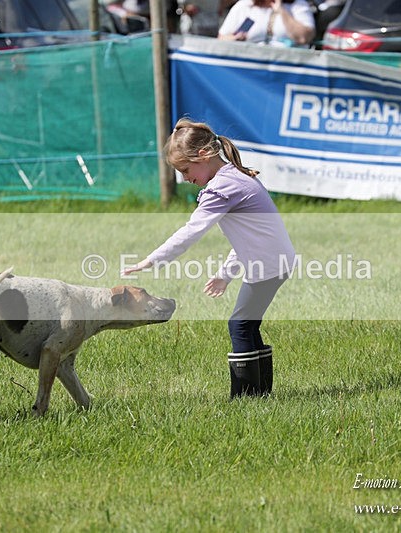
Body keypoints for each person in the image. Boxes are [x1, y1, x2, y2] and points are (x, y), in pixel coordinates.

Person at [121, 118, 296, 399]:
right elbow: (248, 238)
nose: (185, 178)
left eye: (186, 170)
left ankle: (246, 398)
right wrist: (226, 274)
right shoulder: (235, 177)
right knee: (247, 324)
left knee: (239, 325)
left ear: (204, 155)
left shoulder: (223, 187)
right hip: (273, 261)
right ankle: (259, 395)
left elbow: (191, 231)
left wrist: (152, 260)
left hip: (269, 265)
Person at [217, 0, 315, 47]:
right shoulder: (244, 5)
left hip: (287, 67)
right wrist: (234, 39)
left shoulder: (298, 5)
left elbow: (304, 37)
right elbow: (221, 38)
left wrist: (282, 11)